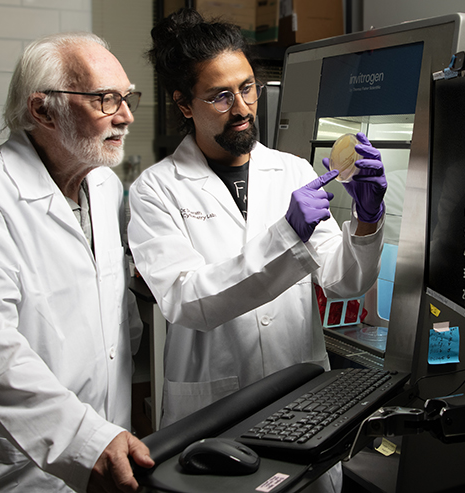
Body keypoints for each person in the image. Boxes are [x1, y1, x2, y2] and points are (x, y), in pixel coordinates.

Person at [128, 9, 387, 492]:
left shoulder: (292, 170)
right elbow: (188, 302)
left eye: (248, 88)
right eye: (221, 96)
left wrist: (368, 221)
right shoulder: (155, 190)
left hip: (303, 400)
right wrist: (286, 235)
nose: (243, 107)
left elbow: (343, 279)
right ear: (184, 105)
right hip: (212, 412)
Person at [0, 32, 154, 492]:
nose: (125, 116)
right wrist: (86, 439)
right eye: (105, 100)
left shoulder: (104, 186)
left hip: (105, 446)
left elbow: (113, 313)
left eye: (127, 98)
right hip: (8, 469)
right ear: (43, 110)